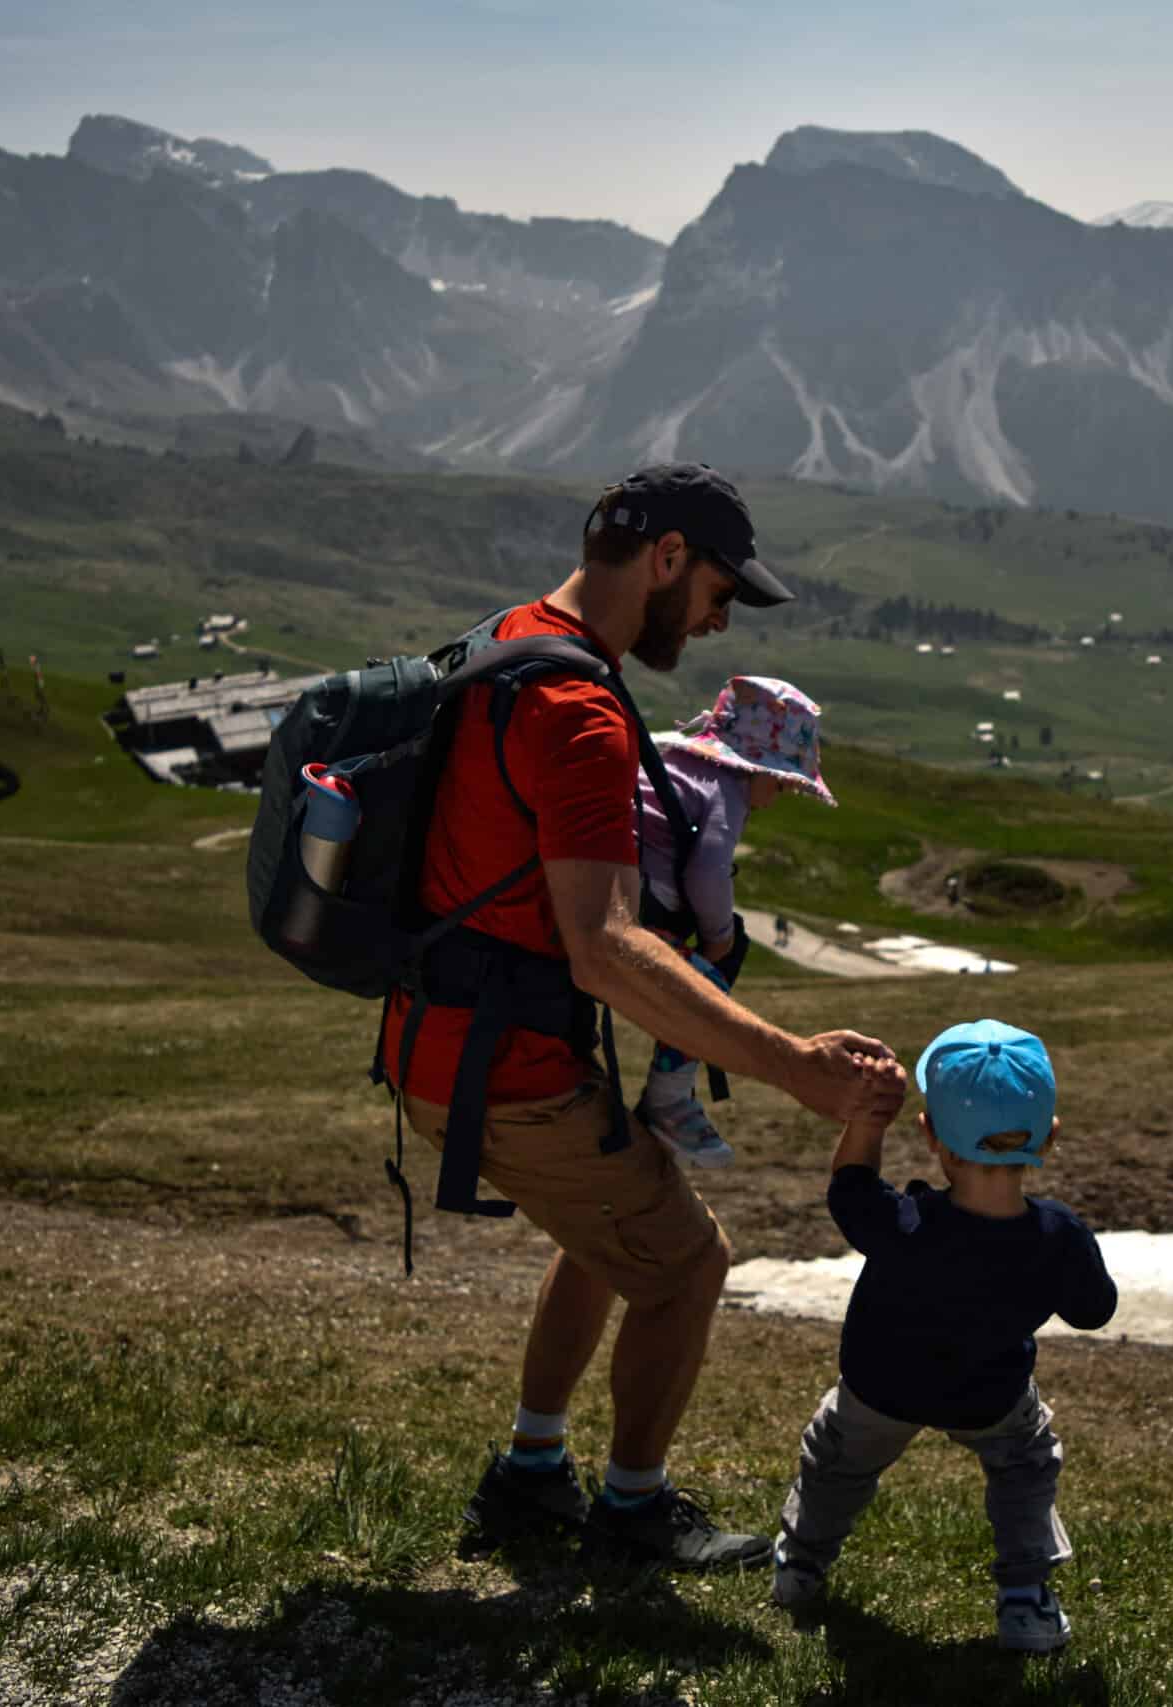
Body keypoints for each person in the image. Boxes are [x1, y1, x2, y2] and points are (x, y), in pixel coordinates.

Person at [383, 462, 895, 1571]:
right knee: (685, 1264)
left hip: (441, 1038)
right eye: (718, 592)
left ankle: (530, 1474)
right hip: (507, 1066)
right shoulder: (576, 708)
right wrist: (795, 1065)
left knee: (616, 1243)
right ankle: (629, 1508)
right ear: (665, 559)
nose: (717, 621)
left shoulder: (510, 641)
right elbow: (604, 945)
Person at [771, 1020, 1118, 1652]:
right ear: (1049, 1139)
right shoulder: (1058, 1236)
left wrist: (869, 1122)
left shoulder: (903, 1224)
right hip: (989, 1394)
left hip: (881, 1387)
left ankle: (801, 1565)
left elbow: (849, 1188)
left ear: (933, 1138)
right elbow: (1095, 1312)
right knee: (1025, 1468)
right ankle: (1024, 1600)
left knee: (837, 1462)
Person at [635, 676, 837, 1169]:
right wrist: (718, 937)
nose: (788, 789)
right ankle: (669, 1096)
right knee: (725, 955)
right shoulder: (726, 788)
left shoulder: (672, 762)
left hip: (604, 881)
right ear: (755, 766)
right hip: (643, 908)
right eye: (786, 778)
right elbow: (708, 870)